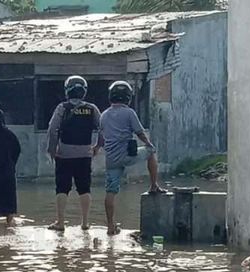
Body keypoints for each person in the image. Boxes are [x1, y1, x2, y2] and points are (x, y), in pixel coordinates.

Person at [96, 81, 167, 235]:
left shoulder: (104, 115)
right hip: (128, 156)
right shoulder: (129, 113)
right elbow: (139, 132)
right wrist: (149, 144)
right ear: (127, 97)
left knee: (110, 191)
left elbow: (101, 137)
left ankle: (110, 226)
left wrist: (96, 148)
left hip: (112, 159)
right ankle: (154, 185)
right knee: (151, 152)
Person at [47, 76, 102, 232]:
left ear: (67, 91)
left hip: (63, 154)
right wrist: (97, 146)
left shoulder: (62, 107)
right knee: (84, 188)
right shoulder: (92, 108)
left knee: (62, 188)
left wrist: (52, 149)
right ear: (84, 92)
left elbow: (52, 129)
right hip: (85, 154)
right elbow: (102, 128)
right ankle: (85, 223)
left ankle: (61, 222)